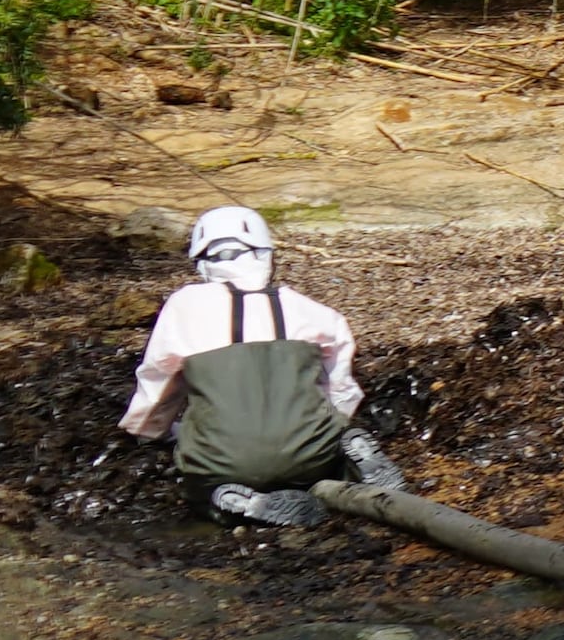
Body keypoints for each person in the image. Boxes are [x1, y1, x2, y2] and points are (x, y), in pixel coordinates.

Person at [122, 204, 397, 526]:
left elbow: (159, 382)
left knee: (201, 487)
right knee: (329, 454)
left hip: (225, 459)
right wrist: (336, 424)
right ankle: (353, 460)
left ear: (203, 262)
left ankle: (233, 501)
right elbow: (341, 390)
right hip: (311, 453)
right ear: (266, 253)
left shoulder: (184, 307)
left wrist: (146, 429)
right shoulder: (313, 311)